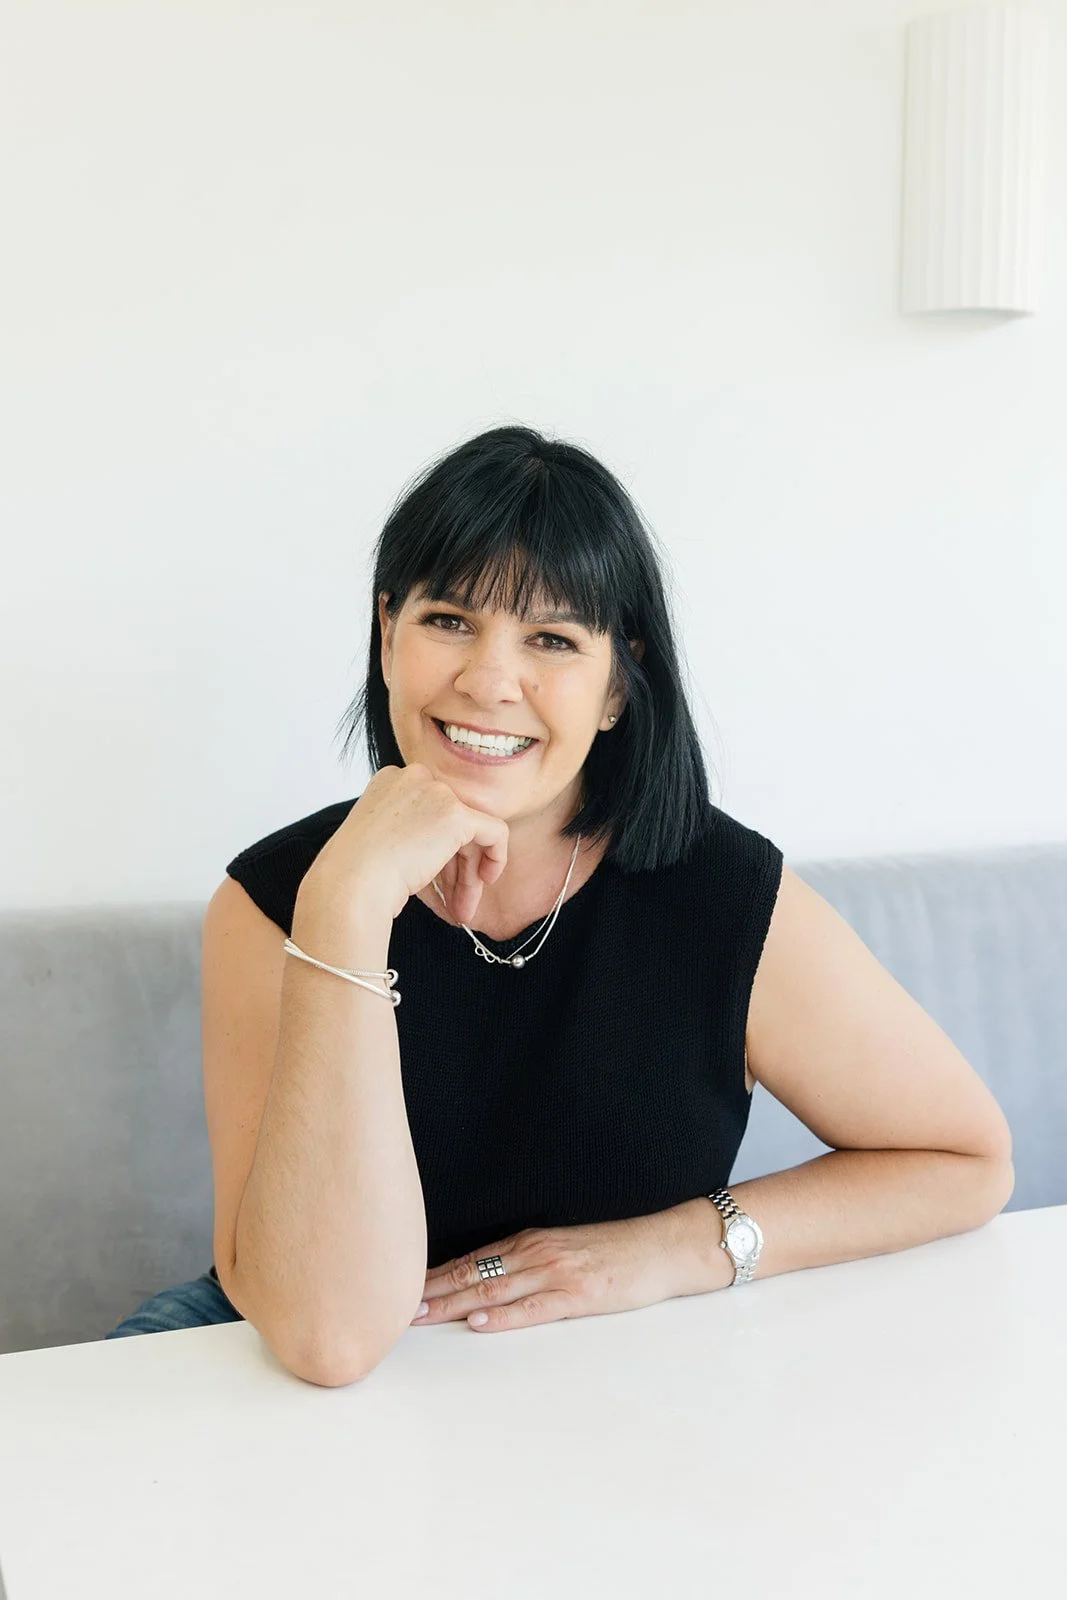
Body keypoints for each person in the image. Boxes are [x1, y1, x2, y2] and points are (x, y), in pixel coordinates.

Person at [105, 423, 1015, 1371]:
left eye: (551, 638)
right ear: (387, 635)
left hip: (602, 1374)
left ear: (617, 684)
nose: (489, 681)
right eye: (448, 621)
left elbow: (965, 1163)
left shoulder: (717, 889)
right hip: (283, 1361)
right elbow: (326, 1336)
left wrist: (670, 1248)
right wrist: (346, 903)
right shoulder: (277, 899)